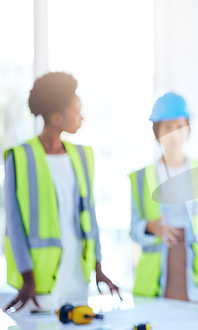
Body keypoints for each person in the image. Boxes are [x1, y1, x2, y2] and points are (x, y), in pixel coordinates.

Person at [3, 72, 121, 313]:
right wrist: (27, 278)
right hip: (39, 282)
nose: (82, 117)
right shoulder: (20, 157)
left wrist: (98, 267)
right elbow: (13, 225)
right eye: (76, 111)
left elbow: (90, 214)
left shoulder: (83, 155)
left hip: (78, 275)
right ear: (57, 118)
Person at [130, 92, 198, 303]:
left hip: (197, 278)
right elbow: (133, 230)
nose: (174, 135)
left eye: (179, 127)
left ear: (188, 129)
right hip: (155, 282)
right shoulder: (141, 178)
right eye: (167, 128)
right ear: (156, 131)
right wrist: (149, 227)